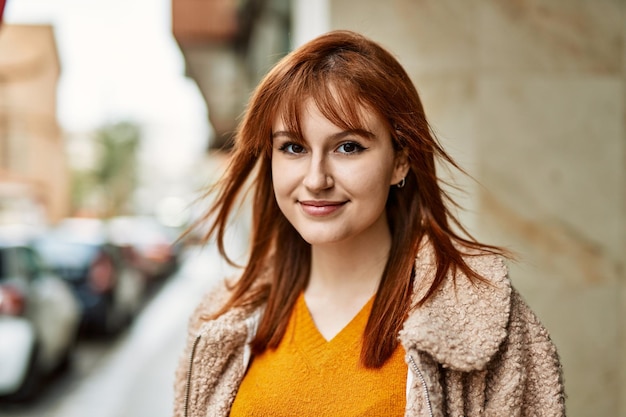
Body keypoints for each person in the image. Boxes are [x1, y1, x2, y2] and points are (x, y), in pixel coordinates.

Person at [173, 30, 565, 417]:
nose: (316, 179)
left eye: (348, 147)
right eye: (294, 147)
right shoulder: (223, 321)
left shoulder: (485, 322)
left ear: (400, 161)